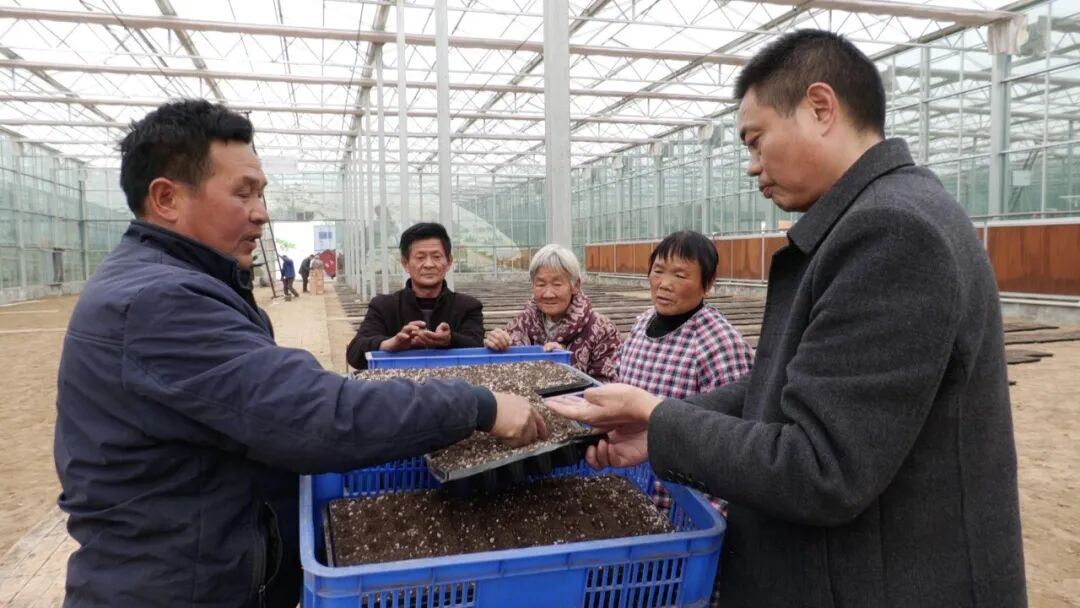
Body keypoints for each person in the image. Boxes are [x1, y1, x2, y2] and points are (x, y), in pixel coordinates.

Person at [549, 30, 1026, 608]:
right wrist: (656, 423)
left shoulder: (893, 232)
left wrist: (660, 417)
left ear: (820, 107)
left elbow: (821, 466)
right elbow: (785, 382)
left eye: (756, 141)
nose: (753, 167)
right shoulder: (875, 218)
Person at [54, 99, 546, 608]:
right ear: (166, 198)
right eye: (243, 192)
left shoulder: (174, 284)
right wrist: (478, 405)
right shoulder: (159, 302)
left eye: (261, 193)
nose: (261, 212)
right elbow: (318, 416)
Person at [616, 231, 753, 516]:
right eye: (658, 271)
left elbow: (733, 438)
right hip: (632, 485)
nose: (664, 284)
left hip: (686, 504)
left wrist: (713, 514)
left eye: (680, 275)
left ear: (708, 283)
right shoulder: (641, 324)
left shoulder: (720, 344)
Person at [346, 222, 485, 370]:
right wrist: (390, 344)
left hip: (452, 384)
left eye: (436, 256)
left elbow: (476, 346)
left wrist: (450, 340)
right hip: (398, 385)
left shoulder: (468, 307)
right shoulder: (384, 306)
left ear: (449, 261)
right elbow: (355, 353)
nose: (429, 264)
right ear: (405, 263)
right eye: (420, 257)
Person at [484, 244, 621, 382]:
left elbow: (606, 386)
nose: (548, 294)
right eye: (541, 284)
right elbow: (503, 378)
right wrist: (496, 346)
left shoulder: (602, 330)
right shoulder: (520, 324)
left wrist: (564, 365)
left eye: (557, 284)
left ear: (576, 285)